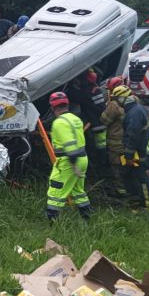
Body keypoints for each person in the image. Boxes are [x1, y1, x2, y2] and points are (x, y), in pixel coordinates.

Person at [45, 92, 91, 222]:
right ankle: (87, 219)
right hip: (83, 158)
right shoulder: (75, 118)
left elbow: (69, 144)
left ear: (53, 107)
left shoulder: (59, 123)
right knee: (78, 190)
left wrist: (73, 163)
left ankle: (53, 222)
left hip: (68, 161)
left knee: (55, 191)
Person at [114, 85, 149, 205]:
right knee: (128, 173)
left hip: (138, 152)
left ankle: (147, 202)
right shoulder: (137, 108)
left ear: (122, 98)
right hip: (139, 149)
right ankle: (135, 197)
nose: (116, 102)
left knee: (142, 177)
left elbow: (133, 135)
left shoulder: (133, 114)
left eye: (116, 99)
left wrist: (129, 155)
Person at [100, 81, 127, 194]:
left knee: (116, 166)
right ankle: (130, 189)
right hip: (127, 141)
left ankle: (121, 191)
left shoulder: (114, 105)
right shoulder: (133, 100)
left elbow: (104, 120)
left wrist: (107, 106)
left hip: (115, 142)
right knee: (127, 165)